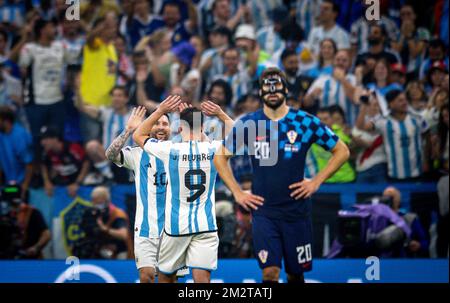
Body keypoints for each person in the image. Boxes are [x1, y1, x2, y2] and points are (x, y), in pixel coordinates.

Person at [213, 67, 350, 283]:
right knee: (270, 273)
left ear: (286, 89)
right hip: (264, 212)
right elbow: (220, 157)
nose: (272, 91)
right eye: (266, 88)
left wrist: (315, 182)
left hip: (297, 211)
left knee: (295, 274)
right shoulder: (248, 124)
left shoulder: (305, 122)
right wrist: (238, 193)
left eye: (276, 86)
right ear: (260, 93)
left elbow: (342, 150)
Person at [133, 97, 224, 283]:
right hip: (206, 225)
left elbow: (138, 136)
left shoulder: (170, 150)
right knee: (202, 280)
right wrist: (220, 114)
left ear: (180, 128)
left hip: (176, 226)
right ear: (203, 127)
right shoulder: (213, 148)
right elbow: (239, 139)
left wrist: (160, 110)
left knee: (166, 278)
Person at [356, 89, 428, 181]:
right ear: (391, 104)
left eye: (405, 100)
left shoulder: (418, 119)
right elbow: (361, 127)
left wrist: (426, 161)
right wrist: (364, 106)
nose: (404, 103)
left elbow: (427, 137)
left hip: (417, 173)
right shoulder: (383, 122)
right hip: (394, 175)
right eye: (400, 100)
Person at [74, 186, 131, 259]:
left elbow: (123, 235)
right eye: (93, 199)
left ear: (105, 199)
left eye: (96, 200)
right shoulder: (91, 213)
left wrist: (105, 229)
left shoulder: (117, 213)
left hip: (117, 248)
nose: (93, 202)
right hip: (98, 246)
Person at [0, 185, 51, 259]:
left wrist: (36, 247)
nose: (13, 208)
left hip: (29, 258)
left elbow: (46, 234)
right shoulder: (4, 216)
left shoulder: (33, 213)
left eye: (15, 205)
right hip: (7, 258)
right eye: (10, 204)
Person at [40, 126, 90, 198]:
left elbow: (86, 162)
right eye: (42, 139)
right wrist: (47, 182)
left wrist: (77, 183)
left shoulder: (72, 147)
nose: (42, 142)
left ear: (55, 138)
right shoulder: (47, 152)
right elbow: (43, 164)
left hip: (79, 180)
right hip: (63, 181)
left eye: (46, 139)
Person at [383, 186, 430, 258]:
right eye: (387, 197)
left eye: (392, 197)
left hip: (405, 260)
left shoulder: (410, 219)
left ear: (398, 200)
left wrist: (419, 245)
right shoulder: (376, 220)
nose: (390, 200)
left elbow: (425, 242)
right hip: (382, 261)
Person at [0, 106, 33, 199]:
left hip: (23, 184)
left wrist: (25, 186)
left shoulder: (20, 136)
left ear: (6, 121)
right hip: (8, 184)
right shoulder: (1, 135)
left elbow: (29, 164)